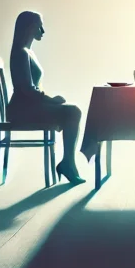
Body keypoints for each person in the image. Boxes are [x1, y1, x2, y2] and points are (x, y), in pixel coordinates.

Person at [8, 10, 85, 183]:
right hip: (22, 111)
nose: (42, 31)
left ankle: (68, 163)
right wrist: (50, 100)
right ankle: (68, 164)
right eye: (39, 26)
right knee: (72, 112)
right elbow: (27, 90)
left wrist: (50, 101)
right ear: (28, 27)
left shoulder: (27, 52)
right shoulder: (21, 53)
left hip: (29, 107)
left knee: (71, 111)